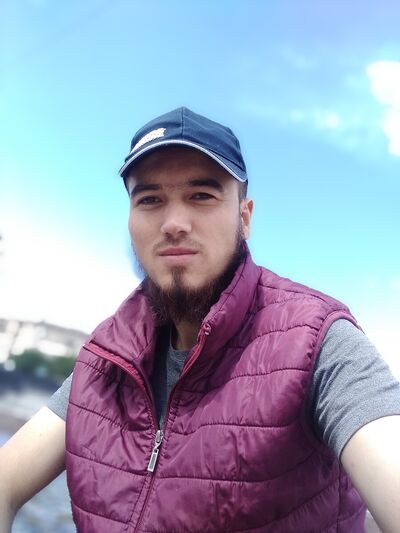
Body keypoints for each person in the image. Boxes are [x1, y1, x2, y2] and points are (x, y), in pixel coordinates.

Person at [1, 107, 400, 533]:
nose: (173, 224)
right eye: (150, 199)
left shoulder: (317, 340)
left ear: (244, 218)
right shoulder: (107, 358)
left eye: (202, 196)